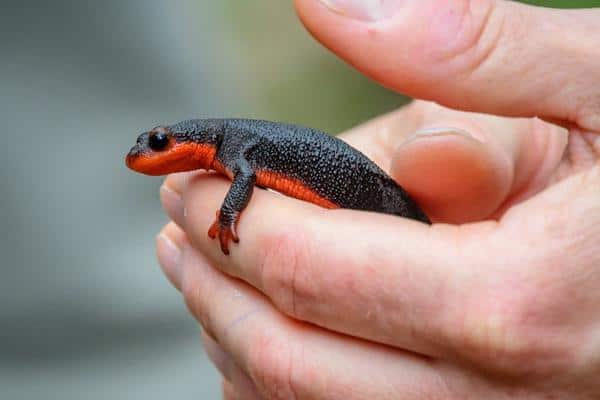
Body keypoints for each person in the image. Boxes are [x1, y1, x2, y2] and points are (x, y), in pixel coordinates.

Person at [155, 0, 600, 398]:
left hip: (374, 196)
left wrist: (229, 214)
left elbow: (247, 176)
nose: (149, 154)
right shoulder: (226, 146)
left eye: (159, 142)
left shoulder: (231, 144)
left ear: (189, 140)